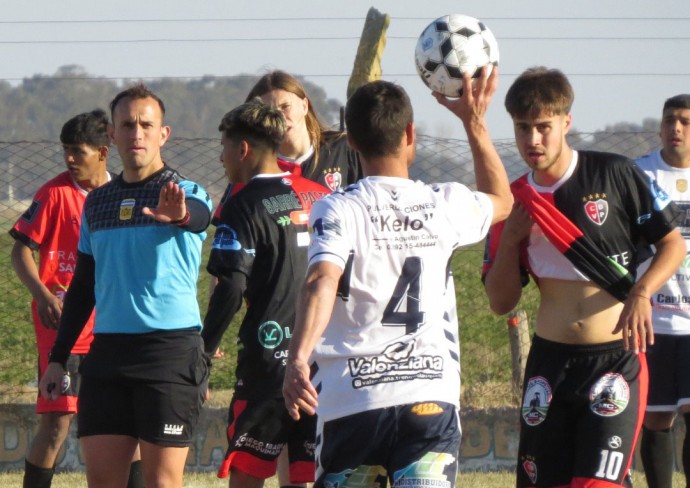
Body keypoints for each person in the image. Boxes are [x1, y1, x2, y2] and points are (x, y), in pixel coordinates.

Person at [282, 68, 513, 488]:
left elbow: (321, 280)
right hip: (428, 398)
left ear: (350, 141)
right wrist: (473, 121)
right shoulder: (443, 203)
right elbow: (502, 200)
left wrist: (298, 357)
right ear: (410, 134)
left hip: (352, 400)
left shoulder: (336, 209)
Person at [482, 67, 686, 487]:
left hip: (614, 360)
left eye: (544, 127)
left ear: (566, 122)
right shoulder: (514, 201)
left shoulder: (615, 173)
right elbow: (501, 302)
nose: (533, 140)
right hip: (549, 366)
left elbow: (673, 244)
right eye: (523, 128)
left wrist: (643, 292)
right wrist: (509, 242)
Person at [37, 84, 213, 488]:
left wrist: (181, 216)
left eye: (146, 125)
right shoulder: (97, 203)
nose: (137, 133)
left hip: (168, 353)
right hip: (109, 353)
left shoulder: (182, 192)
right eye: (127, 125)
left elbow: (200, 216)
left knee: (161, 483)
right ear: (112, 136)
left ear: (163, 134)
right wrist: (58, 356)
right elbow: (83, 286)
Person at [9, 110, 144, 488]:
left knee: (123, 423)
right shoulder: (54, 194)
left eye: (77, 151)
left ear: (104, 152)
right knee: (56, 423)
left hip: (113, 326)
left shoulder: (121, 195)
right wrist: (42, 295)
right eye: (65, 150)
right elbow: (20, 252)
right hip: (62, 329)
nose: (69, 158)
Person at [202, 98, 329, 488]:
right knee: (302, 476)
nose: (222, 158)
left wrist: (204, 350)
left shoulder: (241, 205)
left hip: (268, 364)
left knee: (248, 472)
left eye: (224, 147)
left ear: (243, 149)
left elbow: (232, 284)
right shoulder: (319, 193)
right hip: (322, 360)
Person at [636, 94, 690, 488]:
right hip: (653, 319)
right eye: (670, 120)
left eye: (686, 121)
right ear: (660, 127)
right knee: (656, 417)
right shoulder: (638, 175)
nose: (676, 128)